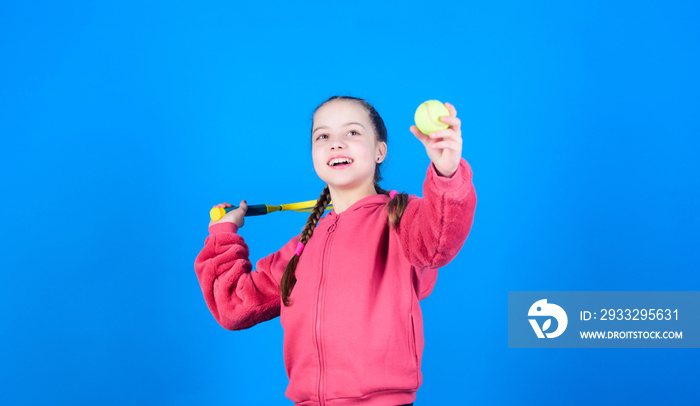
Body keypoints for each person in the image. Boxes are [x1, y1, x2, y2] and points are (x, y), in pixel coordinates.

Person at [194, 96, 477, 405]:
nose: (336, 144)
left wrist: (446, 174)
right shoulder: (302, 247)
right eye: (323, 136)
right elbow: (234, 304)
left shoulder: (402, 219)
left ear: (380, 150)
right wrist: (223, 234)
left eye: (352, 133)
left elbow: (439, 241)